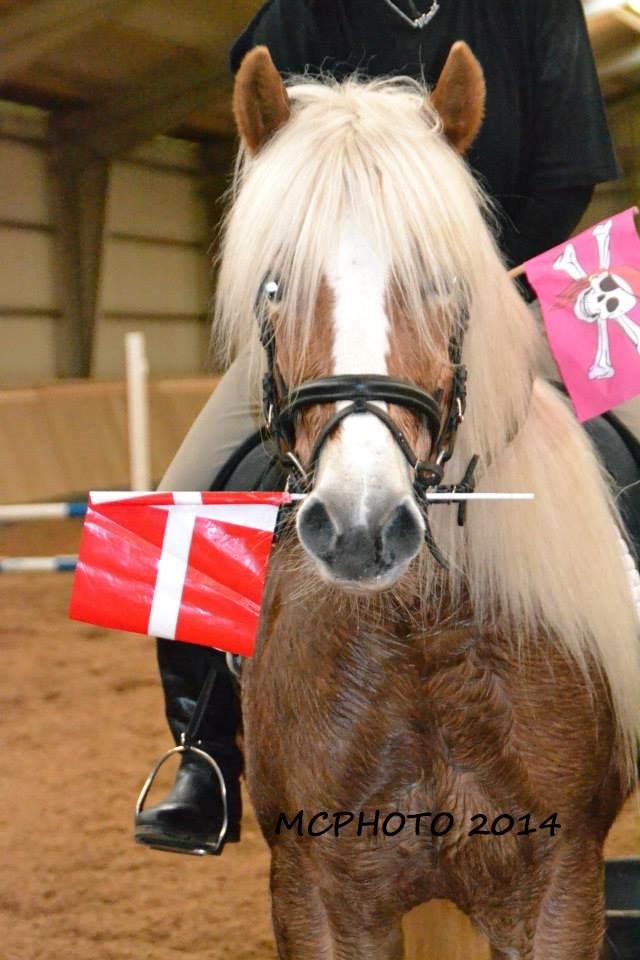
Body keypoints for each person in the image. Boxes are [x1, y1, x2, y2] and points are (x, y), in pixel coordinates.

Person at [134, 0, 623, 855]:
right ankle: (203, 753)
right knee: (174, 505)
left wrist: (458, 272)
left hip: (520, 271)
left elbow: (566, 169)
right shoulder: (298, 13)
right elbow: (276, 157)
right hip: (345, 298)